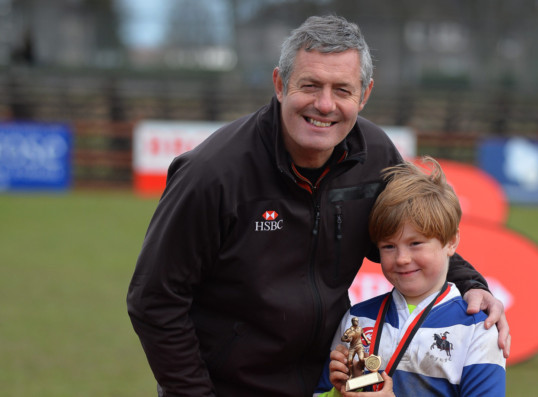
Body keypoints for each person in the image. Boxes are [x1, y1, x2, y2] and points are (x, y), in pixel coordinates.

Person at [127, 15, 509, 397]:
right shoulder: (211, 173)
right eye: (310, 86)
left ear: (364, 94)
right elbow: (154, 299)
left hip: (326, 386)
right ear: (280, 84)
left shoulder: (374, 155)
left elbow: (418, 230)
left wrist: (471, 284)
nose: (324, 104)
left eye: (342, 90)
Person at [317, 157, 506, 396]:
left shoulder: (477, 326)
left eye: (415, 243)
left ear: (451, 241)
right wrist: (338, 390)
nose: (402, 258)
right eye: (388, 246)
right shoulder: (357, 318)